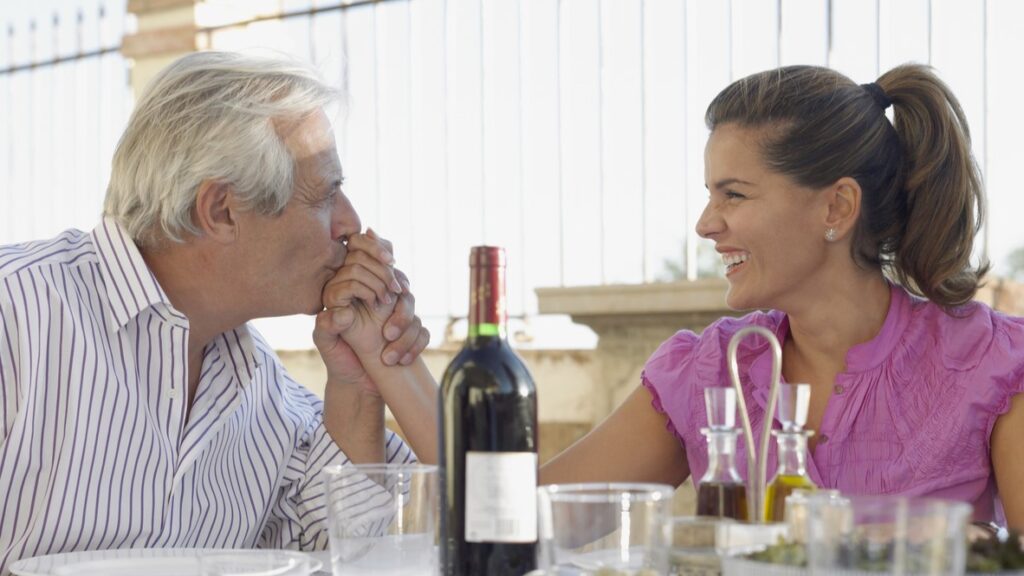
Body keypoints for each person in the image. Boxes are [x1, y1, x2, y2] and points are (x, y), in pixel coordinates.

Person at [336, 63, 1024, 530]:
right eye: (708, 194)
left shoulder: (991, 365)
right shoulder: (709, 370)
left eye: (735, 194)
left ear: (836, 208)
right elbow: (524, 516)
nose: (706, 223)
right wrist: (388, 357)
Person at [0, 51, 436, 574]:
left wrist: (359, 385)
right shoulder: (15, 317)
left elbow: (334, 554)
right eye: (326, 195)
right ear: (221, 211)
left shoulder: (267, 393)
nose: (351, 223)